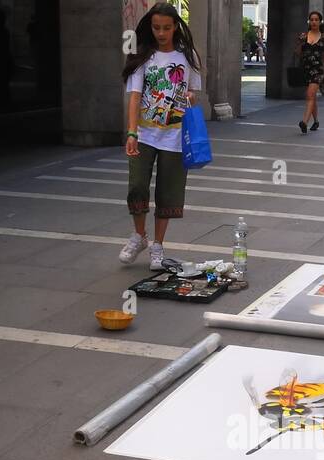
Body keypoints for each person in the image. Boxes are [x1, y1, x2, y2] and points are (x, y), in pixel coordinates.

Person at [117, 3, 201, 270]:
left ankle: (158, 246)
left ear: (175, 26)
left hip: (176, 137)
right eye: (156, 28)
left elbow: (193, 93)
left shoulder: (188, 57)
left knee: (168, 191)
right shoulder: (144, 56)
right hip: (144, 134)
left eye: (166, 27)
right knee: (137, 186)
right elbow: (134, 97)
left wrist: (188, 96)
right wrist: (131, 132)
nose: (161, 33)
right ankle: (139, 236)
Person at [295, 10, 324, 134]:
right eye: (312, 20)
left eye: (316, 20)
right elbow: (297, 53)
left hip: (318, 70)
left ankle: (304, 122)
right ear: (309, 22)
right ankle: (316, 120)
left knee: (310, 95)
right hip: (305, 69)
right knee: (313, 98)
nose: (314, 22)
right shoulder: (303, 36)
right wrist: (300, 43)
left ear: (320, 22)